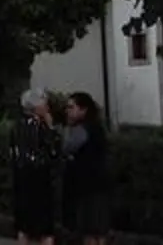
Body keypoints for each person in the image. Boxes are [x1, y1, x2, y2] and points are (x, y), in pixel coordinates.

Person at [9, 88, 59, 245]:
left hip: (22, 178)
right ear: (36, 106)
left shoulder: (17, 126)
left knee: (24, 226)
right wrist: (51, 129)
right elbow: (53, 151)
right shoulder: (39, 126)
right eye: (44, 103)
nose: (47, 107)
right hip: (39, 180)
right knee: (45, 227)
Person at [63, 91, 110, 245]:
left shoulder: (81, 130)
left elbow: (66, 147)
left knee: (89, 231)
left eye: (71, 107)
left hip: (86, 186)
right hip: (98, 184)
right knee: (98, 230)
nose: (67, 111)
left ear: (83, 110)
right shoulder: (97, 128)